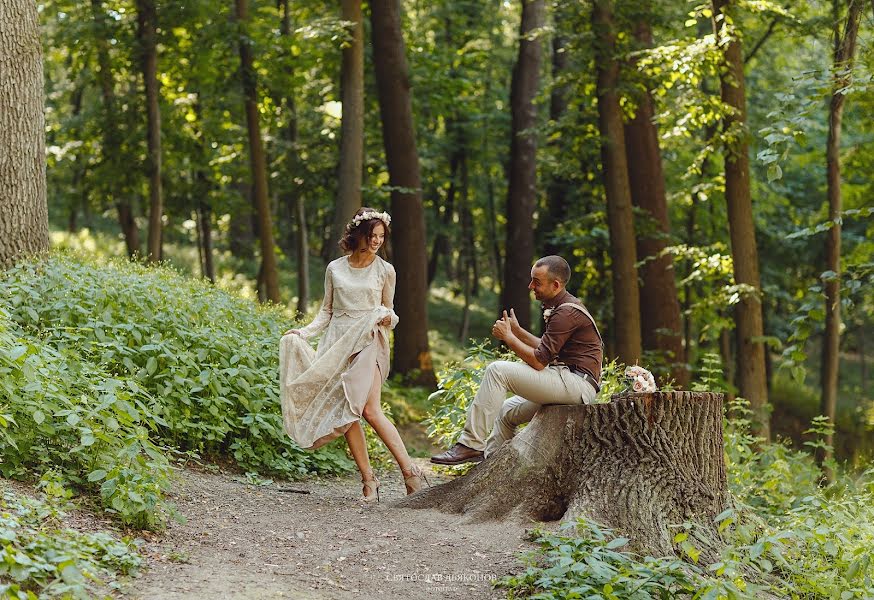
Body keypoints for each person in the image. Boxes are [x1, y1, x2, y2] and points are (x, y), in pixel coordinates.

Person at [280, 207, 427, 502]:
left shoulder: (385, 270)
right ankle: (369, 481)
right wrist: (304, 333)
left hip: (369, 342)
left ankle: (411, 474)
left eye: (381, 236)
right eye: (373, 235)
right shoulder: (335, 268)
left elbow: (391, 310)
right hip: (337, 343)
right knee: (350, 413)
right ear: (359, 234)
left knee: (370, 410)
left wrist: (388, 319)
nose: (377, 241)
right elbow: (327, 311)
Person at [431, 255, 603, 465]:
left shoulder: (566, 313)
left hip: (578, 385)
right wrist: (519, 332)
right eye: (532, 280)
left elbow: (540, 361)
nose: (531, 286)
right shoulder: (563, 307)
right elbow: (546, 349)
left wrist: (508, 338)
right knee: (506, 412)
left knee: (497, 370)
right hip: (566, 379)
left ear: (556, 285)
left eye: (537, 282)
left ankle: (470, 445)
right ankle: (493, 469)